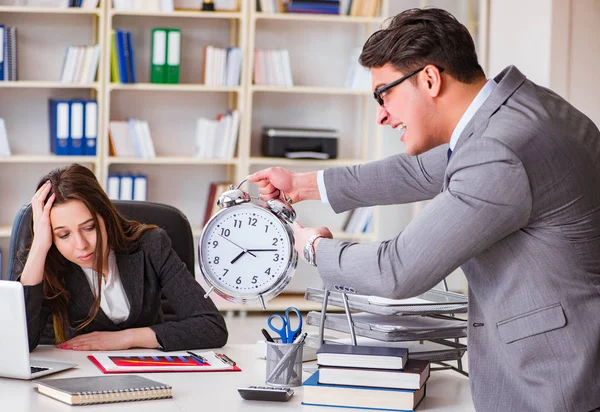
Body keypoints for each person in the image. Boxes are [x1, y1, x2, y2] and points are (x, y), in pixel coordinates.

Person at [248, 8, 600, 412]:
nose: (381, 114)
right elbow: (416, 172)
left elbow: (396, 270)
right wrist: (304, 185)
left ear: (430, 79)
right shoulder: (518, 110)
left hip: (553, 381)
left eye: (385, 94)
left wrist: (312, 247)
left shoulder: (498, 150)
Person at [17, 164, 228, 352]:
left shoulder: (151, 246)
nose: (81, 245)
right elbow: (19, 344)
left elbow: (212, 326)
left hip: (150, 372)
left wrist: (128, 338)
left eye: (89, 227)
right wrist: (39, 247)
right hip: (75, 376)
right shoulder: (44, 260)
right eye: (64, 235)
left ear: (105, 217)